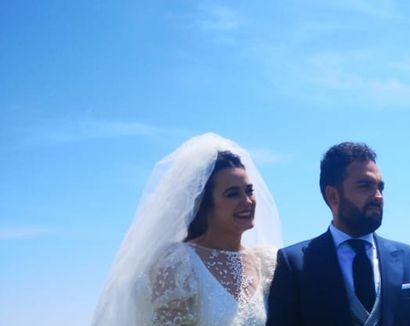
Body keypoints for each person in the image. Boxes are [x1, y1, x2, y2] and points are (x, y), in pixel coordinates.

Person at [93, 133, 283, 325]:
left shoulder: (266, 264)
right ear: (204, 204)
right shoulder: (179, 265)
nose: (247, 201)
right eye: (232, 194)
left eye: (249, 191)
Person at [267, 142, 410, 326]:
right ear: (333, 196)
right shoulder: (294, 264)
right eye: (365, 186)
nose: (378, 196)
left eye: (380, 187)